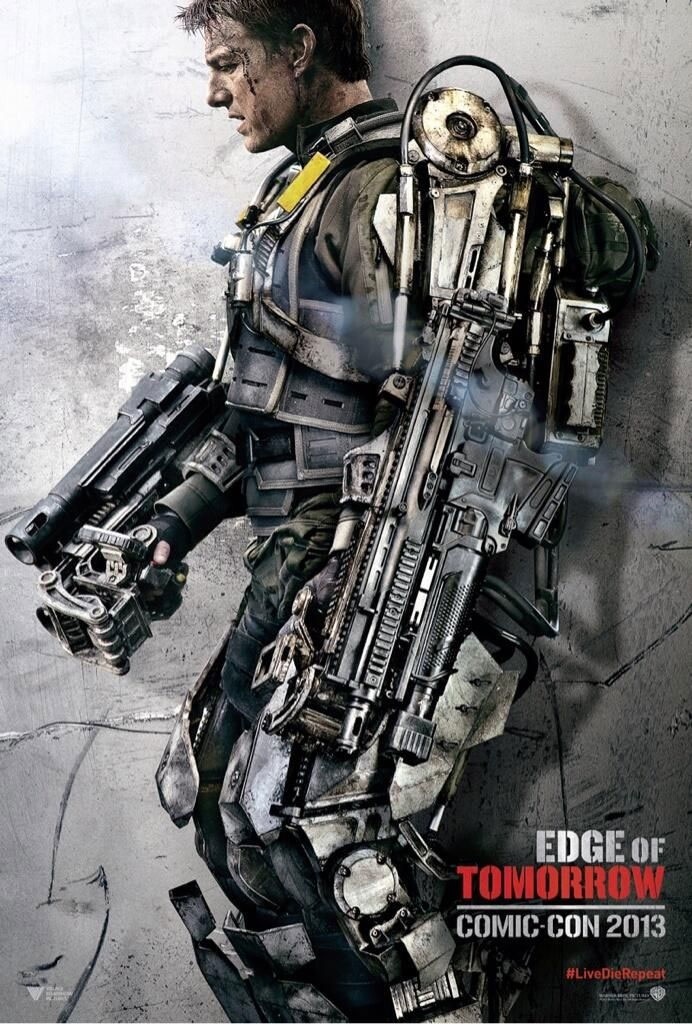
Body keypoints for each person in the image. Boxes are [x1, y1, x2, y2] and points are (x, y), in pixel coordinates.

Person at [152, 1, 427, 1021]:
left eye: (231, 62)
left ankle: (379, 1003)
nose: (215, 91)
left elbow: (420, 417)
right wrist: (170, 524)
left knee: (290, 818)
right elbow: (267, 410)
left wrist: (334, 571)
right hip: (296, 560)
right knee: (222, 806)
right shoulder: (300, 187)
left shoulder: (376, 187)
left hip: (344, 573)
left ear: (300, 50)